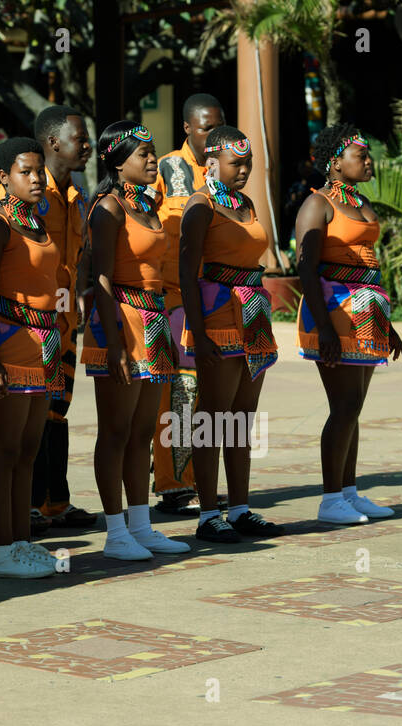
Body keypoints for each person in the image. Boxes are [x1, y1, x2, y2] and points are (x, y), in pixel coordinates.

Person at [0, 106, 97, 535]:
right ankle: (23, 512)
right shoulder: (19, 194)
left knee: (56, 412)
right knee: (20, 429)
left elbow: (78, 257)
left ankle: (54, 502)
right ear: (53, 143)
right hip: (18, 326)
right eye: (79, 138)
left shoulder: (76, 196)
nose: (86, 146)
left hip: (60, 322)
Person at [82, 122, 188, 560]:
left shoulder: (148, 204)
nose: (151, 160)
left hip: (153, 318)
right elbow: (100, 277)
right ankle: (115, 531)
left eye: (152, 152)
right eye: (141, 154)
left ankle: (141, 526)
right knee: (116, 431)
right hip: (120, 322)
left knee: (143, 431)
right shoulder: (107, 208)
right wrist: (115, 345)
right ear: (116, 161)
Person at [296, 125, 402, 524]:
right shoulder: (317, 204)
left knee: (353, 408)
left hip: (367, 313)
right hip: (335, 313)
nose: (368, 160)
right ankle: (329, 500)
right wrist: (324, 328)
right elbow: (305, 269)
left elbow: (369, 268)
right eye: (360, 154)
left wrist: (387, 326)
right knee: (342, 406)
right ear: (335, 163)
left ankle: (349, 492)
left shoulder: (359, 200)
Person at [178, 125, 282, 543]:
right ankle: (207, 514)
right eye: (236, 163)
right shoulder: (200, 206)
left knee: (242, 417)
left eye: (248, 163)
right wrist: (198, 332)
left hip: (253, 312)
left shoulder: (247, 203)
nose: (244, 170)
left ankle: (239, 507)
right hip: (217, 315)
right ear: (212, 164)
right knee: (212, 417)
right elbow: (186, 273)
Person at [0, 137, 65, 579]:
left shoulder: (38, 223)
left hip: (41, 346)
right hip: (6, 345)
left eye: (39, 170)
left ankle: (23, 541)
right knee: (3, 450)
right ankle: (2, 550)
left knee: (29, 449)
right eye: (25, 171)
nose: (37, 179)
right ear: (4, 177)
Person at [151, 93, 225, 517]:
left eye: (219, 125)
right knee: (178, 392)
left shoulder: (226, 171)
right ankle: (173, 485)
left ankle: (200, 479)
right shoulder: (165, 169)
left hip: (213, 296)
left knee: (205, 395)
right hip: (173, 297)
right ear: (187, 128)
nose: (213, 135)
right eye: (205, 127)